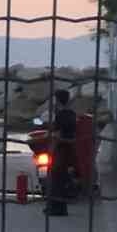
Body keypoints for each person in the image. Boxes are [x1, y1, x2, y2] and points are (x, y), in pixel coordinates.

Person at [46, 89, 78, 217]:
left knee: (55, 178)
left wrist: (51, 149)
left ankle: (55, 208)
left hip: (60, 148)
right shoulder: (72, 114)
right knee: (63, 178)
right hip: (70, 148)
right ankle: (62, 208)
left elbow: (57, 134)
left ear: (57, 100)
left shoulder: (60, 115)